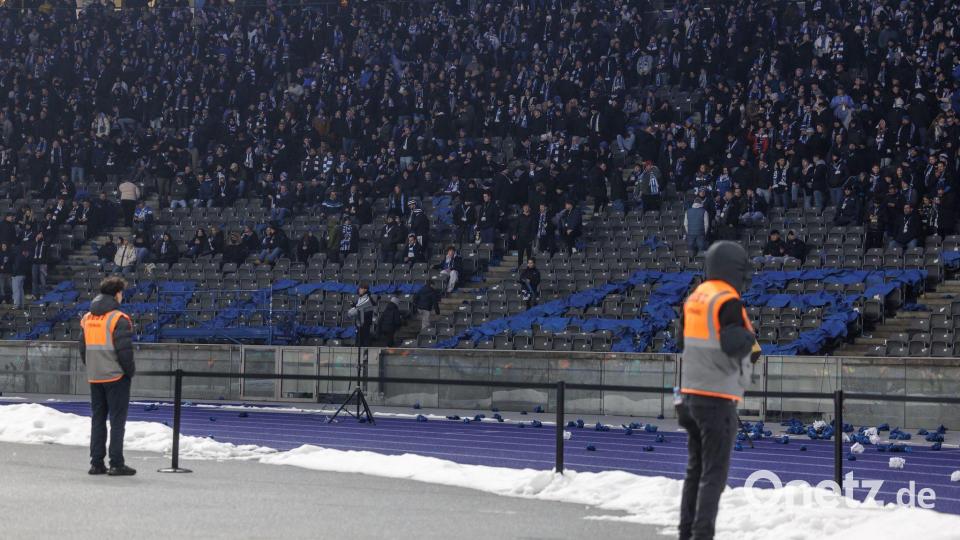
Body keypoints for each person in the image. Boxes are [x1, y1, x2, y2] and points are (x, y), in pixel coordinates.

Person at [677, 241, 760, 540]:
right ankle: (702, 536)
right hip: (717, 399)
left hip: (689, 396)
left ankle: (686, 533)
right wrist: (751, 338)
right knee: (714, 475)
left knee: (694, 471)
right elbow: (733, 343)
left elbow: (682, 342)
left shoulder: (695, 298)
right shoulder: (728, 301)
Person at [79, 276, 136, 476]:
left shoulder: (87, 318)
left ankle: (96, 463)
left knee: (98, 419)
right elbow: (124, 351)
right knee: (117, 421)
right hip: (115, 377)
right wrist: (129, 372)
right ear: (116, 294)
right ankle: (116, 463)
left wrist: (93, 367)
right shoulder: (118, 318)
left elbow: (82, 348)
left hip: (95, 376)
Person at [348, 283, 376, 347]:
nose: (359, 290)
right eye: (359, 288)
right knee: (359, 336)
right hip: (360, 321)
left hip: (365, 321)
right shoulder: (360, 298)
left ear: (365, 290)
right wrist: (353, 305)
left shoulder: (368, 298)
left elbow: (366, 309)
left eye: (361, 288)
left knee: (364, 337)